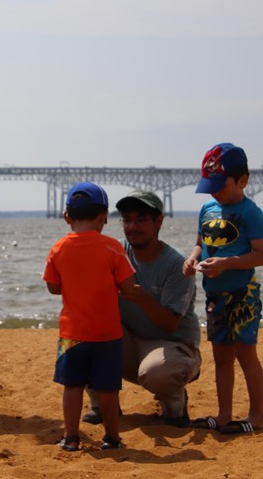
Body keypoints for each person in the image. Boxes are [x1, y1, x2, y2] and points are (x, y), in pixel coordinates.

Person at [84, 191, 201, 428]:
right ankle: (102, 403)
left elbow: (170, 324)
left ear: (159, 221)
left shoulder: (176, 264)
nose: (133, 226)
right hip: (128, 342)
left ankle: (174, 405)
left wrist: (144, 299)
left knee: (157, 372)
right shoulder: (114, 252)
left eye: (141, 220)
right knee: (81, 331)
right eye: (127, 220)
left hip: (171, 344)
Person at [44, 182, 135, 451]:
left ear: (67, 217)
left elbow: (52, 287)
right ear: (104, 216)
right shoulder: (113, 248)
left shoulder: (59, 248)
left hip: (72, 334)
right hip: (107, 333)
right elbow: (128, 287)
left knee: (72, 387)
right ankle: (112, 438)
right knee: (107, 389)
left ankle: (71, 437)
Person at [183, 143, 263, 434]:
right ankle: (224, 414)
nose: (214, 192)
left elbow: (261, 254)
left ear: (243, 180)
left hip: (243, 294)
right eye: (210, 185)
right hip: (215, 297)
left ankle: (257, 415)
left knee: (245, 354)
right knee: (222, 357)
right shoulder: (208, 208)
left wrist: (227, 264)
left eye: (220, 185)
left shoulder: (250, 213)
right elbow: (200, 243)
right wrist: (192, 258)